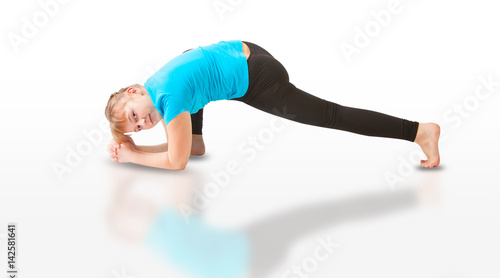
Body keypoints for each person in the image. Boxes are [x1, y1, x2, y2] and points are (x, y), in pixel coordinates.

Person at [105, 40, 440, 170]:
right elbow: (185, 150)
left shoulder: (169, 98)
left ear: (135, 91)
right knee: (192, 139)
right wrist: (143, 148)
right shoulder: (159, 87)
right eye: (138, 127)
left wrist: (134, 155)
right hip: (246, 50)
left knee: (330, 115)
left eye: (135, 116)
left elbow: (176, 162)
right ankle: (197, 135)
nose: (143, 123)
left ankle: (419, 132)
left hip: (258, 78)